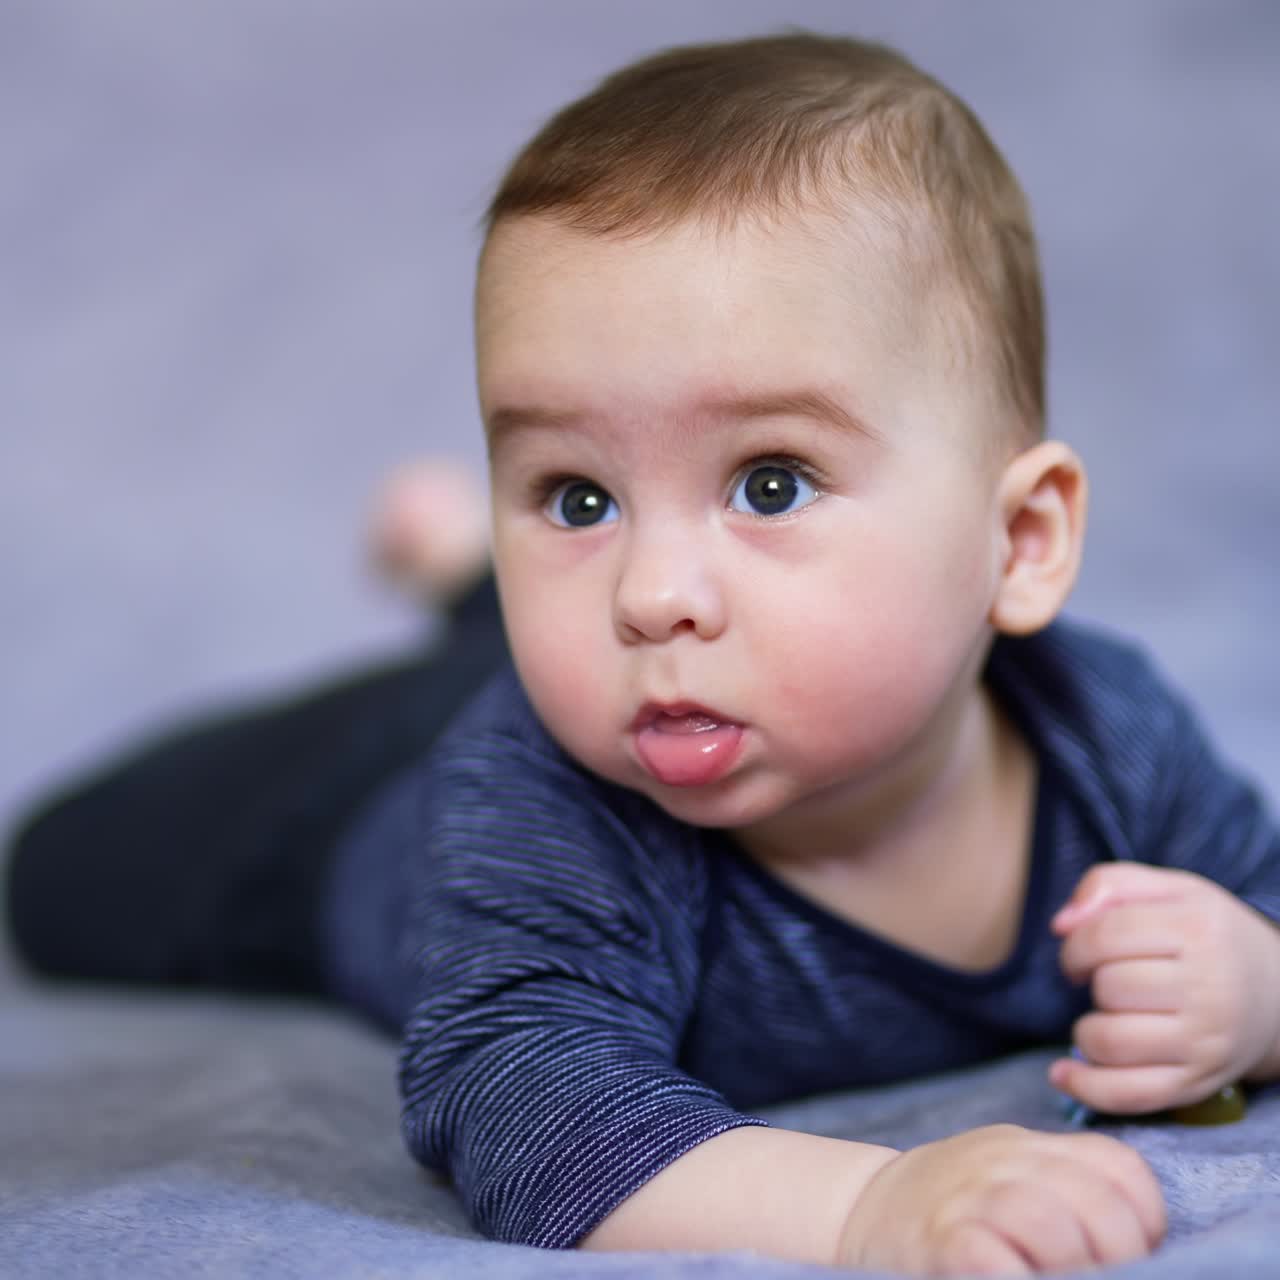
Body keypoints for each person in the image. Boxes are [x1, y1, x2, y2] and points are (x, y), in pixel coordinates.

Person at [7, 30, 1280, 1276]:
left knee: (542, 648)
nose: (653, 591)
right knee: (60, 873)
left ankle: (469, 574)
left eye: (769, 483)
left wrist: (1255, 988)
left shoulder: (1101, 738)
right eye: (576, 494)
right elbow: (523, 1107)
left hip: (571, 693)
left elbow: (1262, 899)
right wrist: (871, 1202)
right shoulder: (550, 809)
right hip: (349, 805)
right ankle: (473, 586)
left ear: (1016, 542)